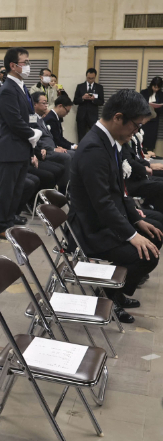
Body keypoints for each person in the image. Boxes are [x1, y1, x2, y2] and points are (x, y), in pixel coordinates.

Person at [68, 89, 163, 322]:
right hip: (90, 229)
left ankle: (117, 291)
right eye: (136, 125)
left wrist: (137, 220)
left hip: (103, 220)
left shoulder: (110, 141)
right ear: (118, 117)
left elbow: (119, 191)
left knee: (156, 234)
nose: (136, 131)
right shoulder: (94, 148)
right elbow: (102, 203)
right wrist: (131, 234)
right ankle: (106, 297)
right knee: (147, 255)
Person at [0, 47, 41, 239]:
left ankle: (10, 221)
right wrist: (32, 134)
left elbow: (28, 116)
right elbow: (14, 121)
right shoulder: (7, 90)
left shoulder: (21, 86)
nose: (28, 66)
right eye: (25, 62)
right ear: (13, 66)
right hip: (10, 147)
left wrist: (34, 134)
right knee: (7, 191)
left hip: (21, 147)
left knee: (17, 190)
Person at [31, 91, 70, 192]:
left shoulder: (40, 118)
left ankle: (68, 187)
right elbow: (35, 139)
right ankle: (63, 190)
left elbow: (49, 137)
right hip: (44, 151)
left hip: (49, 148)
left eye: (47, 103)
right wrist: (52, 148)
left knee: (71, 154)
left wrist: (57, 146)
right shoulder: (32, 118)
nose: (46, 106)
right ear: (35, 104)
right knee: (66, 156)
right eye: (43, 103)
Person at [73, 68, 104, 141]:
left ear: (95, 77)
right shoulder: (80, 86)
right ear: (86, 76)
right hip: (81, 115)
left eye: (92, 78)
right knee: (81, 135)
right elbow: (75, 101)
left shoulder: (99, 87)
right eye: (88, 78)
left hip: (93, 115)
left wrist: (93, 100)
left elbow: (101, 102)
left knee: (94, 135)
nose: (90, 80)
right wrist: (82, 98)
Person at [140, 76, 163, 151]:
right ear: (151, 85)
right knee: (142, 137)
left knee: (151, 138)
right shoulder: (144, 92)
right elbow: (140, 104)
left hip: (154, 120)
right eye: (154, 86)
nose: (156, 89)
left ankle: (150, 152)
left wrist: (157, 107)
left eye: (158, 87)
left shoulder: (161, 95)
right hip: (144, 118)